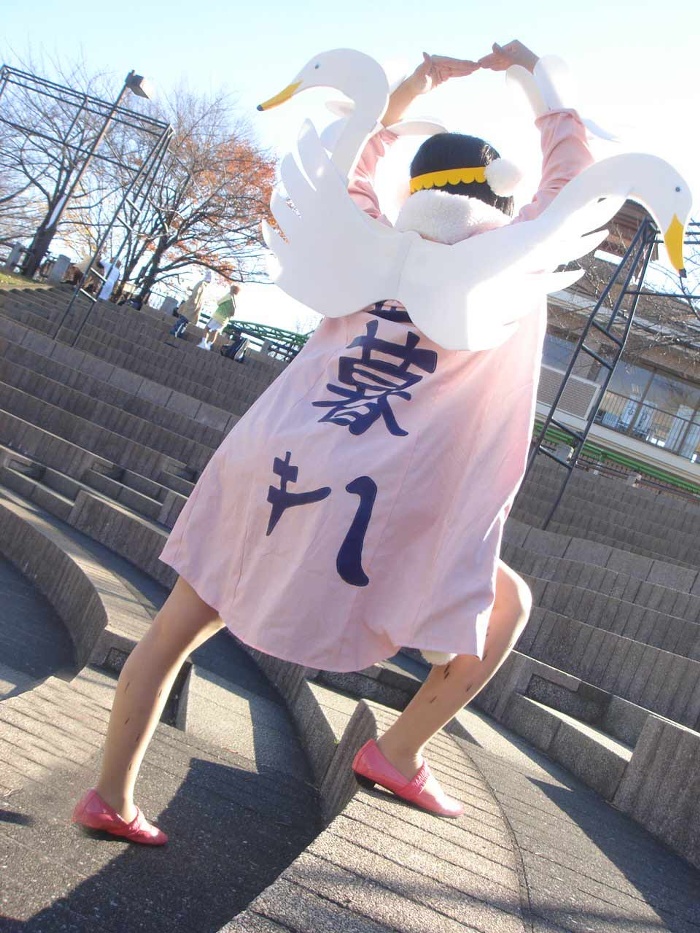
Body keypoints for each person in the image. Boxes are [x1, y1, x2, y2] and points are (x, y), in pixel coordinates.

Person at [73, 40, 594, 844]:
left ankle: (110, 793)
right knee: (505, 605)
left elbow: (349, 164)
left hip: (277, 453)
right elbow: (572, 182)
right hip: (379, 487)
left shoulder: (362, 239)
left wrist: (407, 90)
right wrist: (531, 77)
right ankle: (398, 750)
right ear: (500, 192)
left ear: (416, 188)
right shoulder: (506, 263)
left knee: (175, 628)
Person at [168, 271, 211, 338]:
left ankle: (179, 333)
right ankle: (174, 331)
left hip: (194, 305)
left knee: (186, 321)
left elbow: (196, 292)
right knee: (184, 319)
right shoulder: (202, 284)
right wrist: (195, 301)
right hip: (192, 305)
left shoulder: (204, 285)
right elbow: (196, 292)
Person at [198, 282, 241, 350]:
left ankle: (203, 343)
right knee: (215, 332)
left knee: (207, 328)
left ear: (232, 289)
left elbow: (219, 302)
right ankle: (209, 345)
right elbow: (232, 314)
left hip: (217, 316)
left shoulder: (229, 296)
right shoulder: (236, 301)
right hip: (224, 320)